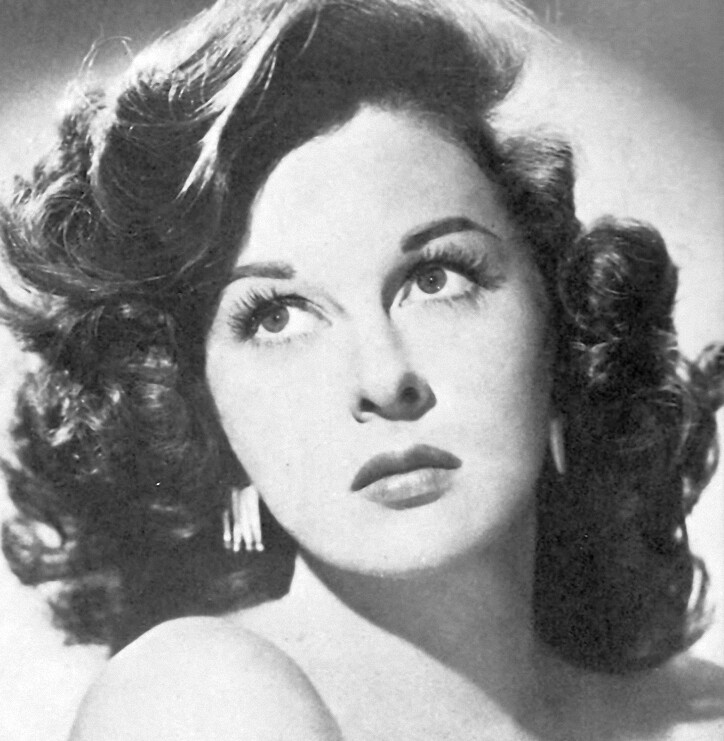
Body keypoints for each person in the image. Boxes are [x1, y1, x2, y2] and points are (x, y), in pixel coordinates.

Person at [1, 0, 723, 738]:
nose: (383, 380)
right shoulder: (196, 698)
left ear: (560, 312)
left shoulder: (694, 713)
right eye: (278, 317)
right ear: (194, 401)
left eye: (437, 278)